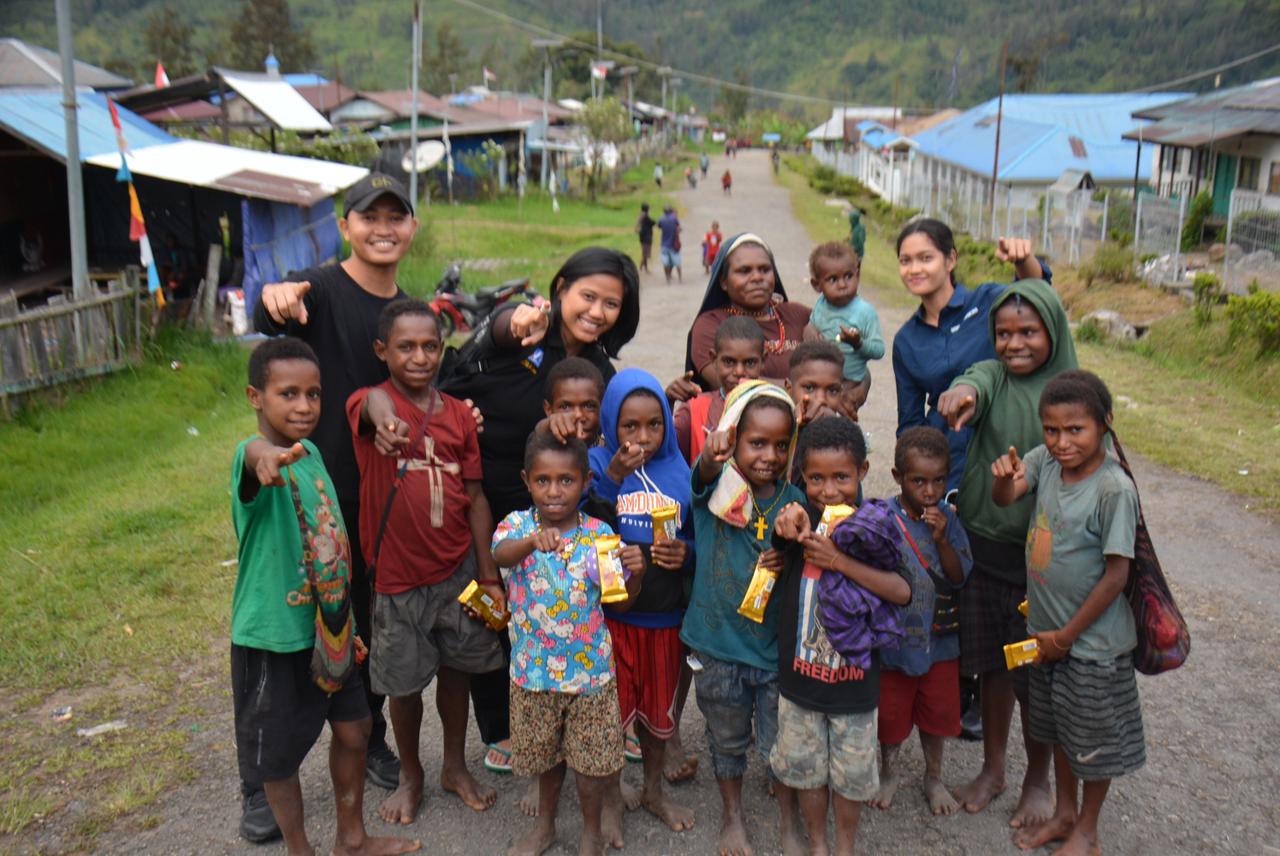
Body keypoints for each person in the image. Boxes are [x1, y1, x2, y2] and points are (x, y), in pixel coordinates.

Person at [250, 171, 419, 839]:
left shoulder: (406, 311)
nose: (383, 228)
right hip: (307, 498)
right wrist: (275, 297)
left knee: (364, 625)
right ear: (345, 226)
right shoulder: (316, 290)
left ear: (412, 227)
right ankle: (258, 781)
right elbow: (276, 318)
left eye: (396, 216)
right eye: (369, 216)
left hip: (377, 500)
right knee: (287, 636)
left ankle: (369, 738)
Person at [438, 247, 639, 778]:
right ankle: (500, 726)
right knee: (489, 607)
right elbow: (503, 328)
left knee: (545, 606)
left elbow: (614, 427)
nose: (597, 311)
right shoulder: (531, 330)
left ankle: (573, 714)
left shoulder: (598, 369)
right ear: (561, 288)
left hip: (553, 501)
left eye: (612, 304)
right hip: (484, 494)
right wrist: (516, 320)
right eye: (588, 296)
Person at [230, 337, 420, 856]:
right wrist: (265, 457)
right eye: (287, 394)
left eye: (313, 394)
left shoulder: (312, 454)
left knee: (356, 729)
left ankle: (351, 839)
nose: (304, 406)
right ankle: (301, 850)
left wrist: (348, 625)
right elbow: (253, 457)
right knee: (280, 757)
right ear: (255, 397)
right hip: (273, 636)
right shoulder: (253, 458)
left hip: (332, 630)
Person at [346, 299, 506, 824]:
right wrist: (385, 420)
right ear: (382, 351)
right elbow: (371, 403)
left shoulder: (458, 414)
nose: (420, 357)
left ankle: (454, 766)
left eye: (430, 346)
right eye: (406, 347)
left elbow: (476, 497)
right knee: (404, 684)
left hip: (458, 569)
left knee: (458, 670)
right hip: (398, 578)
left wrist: (488, 573)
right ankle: (411, 773)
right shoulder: (372, 406)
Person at [935, 278, 1077, 828]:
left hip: (1040, 564)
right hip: (984, 546)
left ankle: (1037, 780)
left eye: (1028, 332)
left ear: (1054, 332)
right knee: (994, 666)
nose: (1014, 343)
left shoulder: (1070, 393)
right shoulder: (993, 374)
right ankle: (993, 769)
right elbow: (974, 382)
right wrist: (960, 393)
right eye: (1003, 333)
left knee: (1033, 674)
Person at [991, 370, 1144, 856]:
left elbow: (1116, 576)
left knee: (1091, 741)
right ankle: (1063, 813)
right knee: (1058, 728)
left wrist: (1066, 637)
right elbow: (1006, 497)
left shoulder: (1113, 490)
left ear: (1105, 424)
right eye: (1051, 430)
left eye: (1075, 429)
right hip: (1047, 637)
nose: (1061, 441)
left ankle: (1088, 829)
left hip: (1091, 647)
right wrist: (1002, 481)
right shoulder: (1046, 463)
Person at [491, 433, 644, 856]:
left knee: (590, 765)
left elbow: (620, 602)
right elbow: (500, 554)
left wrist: (637, 575)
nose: (554, 491)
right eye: (543, 480)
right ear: (526, 480)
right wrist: (531, 542)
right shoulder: (517, 527)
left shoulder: (600, 535)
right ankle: (545, 827)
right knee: (545, 759)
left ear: (586, 481)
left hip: (590, 676)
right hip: (533, 674)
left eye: (566, 480)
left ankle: (591, 833)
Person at [770, 416, 912, 856]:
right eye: (816, 478)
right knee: (807, 774)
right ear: (802, 476)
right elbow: (777, 547)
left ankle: (844, 846)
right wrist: (783, 528)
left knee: (851, 780)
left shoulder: (873, 529)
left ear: (862, 472)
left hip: (854, 689)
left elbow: (902, 591)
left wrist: (839, 561)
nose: (829, 490)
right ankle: (818, 842)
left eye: (841, 478)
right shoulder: (799, 521)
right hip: (800, 685)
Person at [682, 380, 805, 856]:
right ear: (733, 437)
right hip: (718, 648)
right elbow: (702, 474)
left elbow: (809, 564)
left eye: (781, 445)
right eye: (756, 442)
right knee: (726, 738)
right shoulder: (716, 488)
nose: (769, 456)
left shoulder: (794, 499)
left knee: (782, 744)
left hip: (772, 650)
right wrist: (711, 456)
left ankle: (790, 821)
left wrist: (789, 555)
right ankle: (732, 816)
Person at [589, 369, 696, 835]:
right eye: (629, 426)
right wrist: (612, 478)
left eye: (655, 424)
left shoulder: (679, 471)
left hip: (663, 619)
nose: (644, 437)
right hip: (610, 620)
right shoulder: (596, 464)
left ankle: (653, 790)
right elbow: (579, 521)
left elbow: (696, 536)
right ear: (610, 423)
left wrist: (686, 554)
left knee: (657, 717)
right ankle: (612, 799)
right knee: (610, 716)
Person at [891, 219, 1051, 492]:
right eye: (906, 261)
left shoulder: (987, 302)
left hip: (1008, 453)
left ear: (950, 259)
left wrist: (1023, 260)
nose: (914, 269)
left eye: (926, 258)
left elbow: (1036, 293)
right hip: (951, 469)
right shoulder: (907, 340)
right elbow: (910, 425)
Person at [872, 427, 972, 815]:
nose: (930, 491)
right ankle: (889, 772)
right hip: (895, 643)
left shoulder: (949, 520)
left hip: (939, 641)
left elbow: (958, 576)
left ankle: (934, 777)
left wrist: (943, 539)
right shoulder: (884, 518)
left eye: (939, 481)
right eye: (918, 481)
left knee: (937, 714)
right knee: (891, 714)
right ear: (898, 477)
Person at [683, 233, 812, 392]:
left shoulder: (799, 315)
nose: (757, 277)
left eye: (765, 269)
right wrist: (801, 390)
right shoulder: (710, 325)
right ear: (723, 282)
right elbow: (732, 385)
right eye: (744, 271)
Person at [670, 316, 765, 464]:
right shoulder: (694, 410)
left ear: (763, 361)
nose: (739, 371)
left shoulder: (775, 408)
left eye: (750, 363)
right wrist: (667, 402)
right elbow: (666, 452)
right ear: (714, 359)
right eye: (729, 362)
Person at [805, 242, 884, 413]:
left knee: (844, 416)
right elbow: (812, 325)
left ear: (858, 275)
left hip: (850, 383)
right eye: (833, 279)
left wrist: (858, 343)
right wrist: (809, 332)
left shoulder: (865, 312)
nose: (842, 284)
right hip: (822, 379)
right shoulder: (821, 304)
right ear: (816, 285)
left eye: (848, 276)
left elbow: (879, 350)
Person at [657, 205, 683, 285]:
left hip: (664, 244)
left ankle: (667, 279)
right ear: (671, 211)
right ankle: (680, 279)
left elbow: (659, 226)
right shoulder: (674, 218)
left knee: (666, 263)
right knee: (677, 263)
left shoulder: (661, 219)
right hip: (673, 245)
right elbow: (679, 228)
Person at [636, 203, 656, 274]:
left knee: (644, 254)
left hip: (642, 237)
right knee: (645, 254)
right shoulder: (645, 216)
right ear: (647, 209)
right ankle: (640, 268)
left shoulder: (641, 215)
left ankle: (645, 269)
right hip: (646, 238)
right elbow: (653, 222)